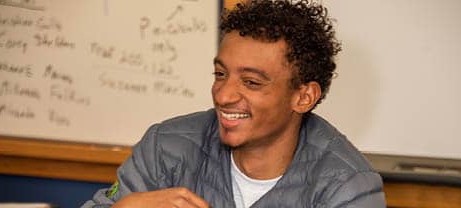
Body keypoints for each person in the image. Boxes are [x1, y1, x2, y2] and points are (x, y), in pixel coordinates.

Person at [82, 0, 385, 207]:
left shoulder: (347, 186)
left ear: (303, 97)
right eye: (220, 74)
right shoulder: (166, 147)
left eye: (251, 82)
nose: (223, 95)